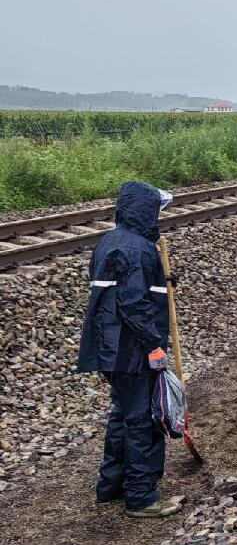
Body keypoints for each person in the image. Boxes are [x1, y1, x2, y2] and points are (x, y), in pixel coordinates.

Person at [78, 181, 182, 517]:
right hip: (131, 349)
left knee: (122, 415)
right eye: (155, 210)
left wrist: (161, 282)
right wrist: (154, 345)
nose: (158, 216)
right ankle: (141, 497)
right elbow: (133, 303)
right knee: (142, 420)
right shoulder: (139, 249)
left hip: (109, 347)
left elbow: (121, 287)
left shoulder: (109, 241)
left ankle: (110, 486)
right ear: (143, 211)